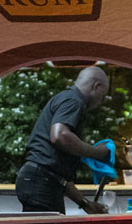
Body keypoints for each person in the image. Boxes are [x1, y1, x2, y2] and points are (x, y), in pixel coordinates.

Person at [16, 65, 111, 214]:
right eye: (103, 95)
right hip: (40, 181)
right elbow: (59, 135)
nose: (101, 101)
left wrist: (85, 204)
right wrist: (97, 153)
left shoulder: (67, 98)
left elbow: (59, 177)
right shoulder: (73, 100)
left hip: (37, 179)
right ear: (96, 86)